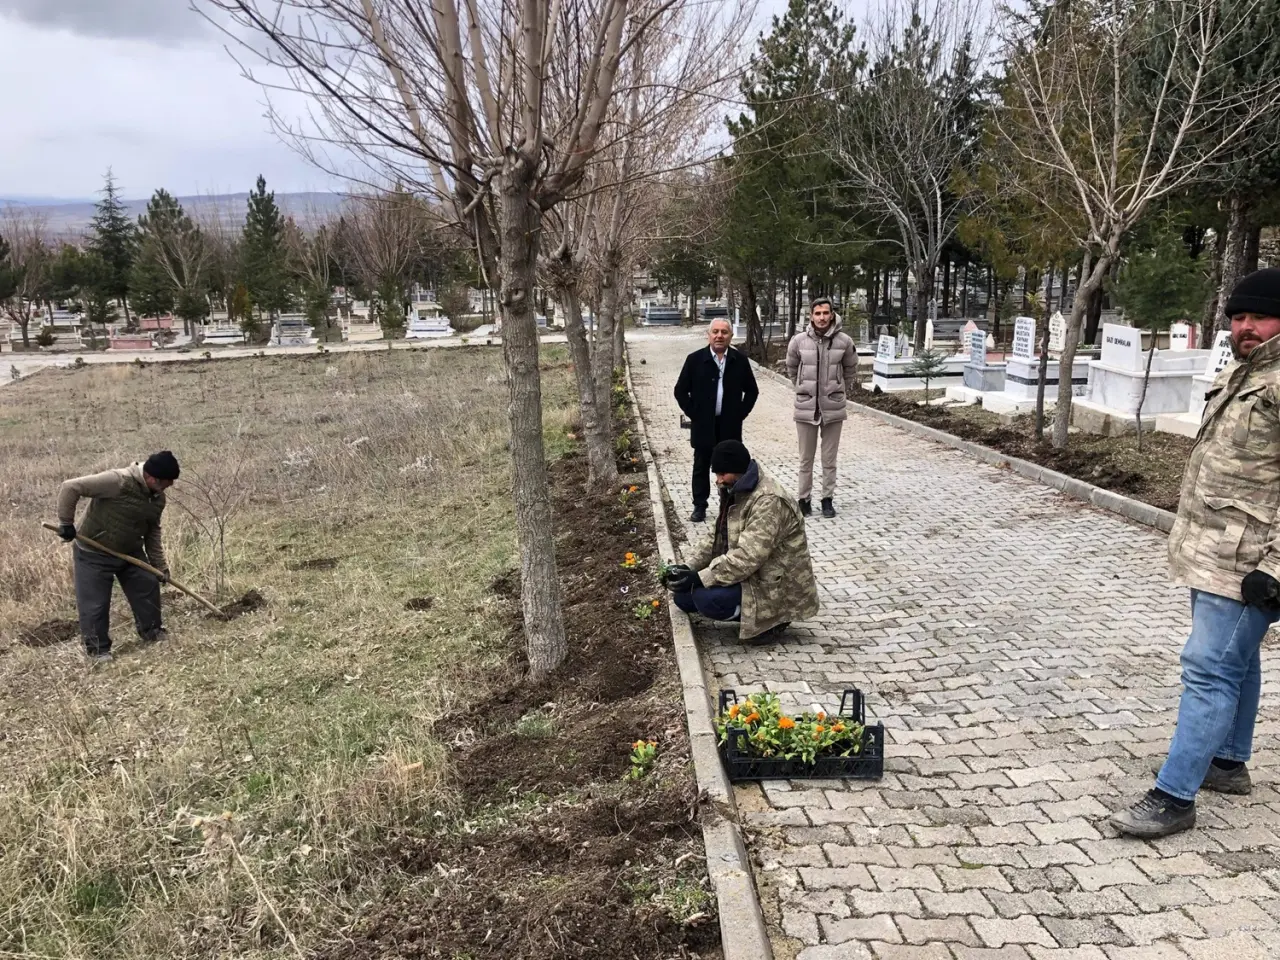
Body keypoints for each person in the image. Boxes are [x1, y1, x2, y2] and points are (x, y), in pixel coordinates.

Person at [1111, 268, 1280, 838]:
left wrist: (1275, 567)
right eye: (1238, 317)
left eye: (1258, 316)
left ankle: (1174, 795)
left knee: (1209, 669)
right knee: (1241, 659)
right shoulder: (1246, 372)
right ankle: (1228, 762)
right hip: (1215, 552)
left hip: (1248, 562)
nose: (1246, 326)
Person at [664, 440, 819, 645]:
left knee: (707, 600)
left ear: (737, 470)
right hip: (750, 572)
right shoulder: (735, 489)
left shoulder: (769, 501)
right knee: (682, 597)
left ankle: (773, 620)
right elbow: (715, 536)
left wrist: (702, 578)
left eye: (722, 474)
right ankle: (744, 609)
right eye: (716, 474)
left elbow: (748, 556)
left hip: (776, 583)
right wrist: (687, 568)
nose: (718, 481)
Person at [56, 451, 180, 663]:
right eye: (165, 485)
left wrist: (159, 566)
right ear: (151, 477)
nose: (166, 490)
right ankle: (98, 651)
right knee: (95, 604)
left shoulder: (157, 499)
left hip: (130, 552)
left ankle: (152, 631)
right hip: (93, 552)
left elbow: (152, 532)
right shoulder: (117, 481)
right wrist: (66, 523)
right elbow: (70, 487)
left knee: (147, 583)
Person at [674, 318, 759, 523]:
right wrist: (695, 413)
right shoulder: (695, 360)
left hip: (729, 425)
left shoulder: (739, 360)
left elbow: (752, 391)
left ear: (730, 336)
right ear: (708, 335)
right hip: (704, 426)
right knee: (702, 465)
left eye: (724, 332)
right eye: (715, 332)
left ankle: (729, 505)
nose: (719, 336)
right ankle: (699, 506)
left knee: (730, 466)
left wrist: (740, 414)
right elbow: (680, 391)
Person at [786, 298, 858, 518]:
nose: (822, 317)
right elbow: (791, 367)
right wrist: (802, 388)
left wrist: (839, 388)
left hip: (832, 407)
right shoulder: (798, 341)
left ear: (832, 314)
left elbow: (850, 368)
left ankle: (827, 499)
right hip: (806, 407)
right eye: (817, 313)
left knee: (829, 459)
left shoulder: (844, 341)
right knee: (805, 458)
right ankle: (804, 499)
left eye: (825, 313)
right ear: (811, 316)